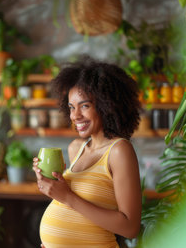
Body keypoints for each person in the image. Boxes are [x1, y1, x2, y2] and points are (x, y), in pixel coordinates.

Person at [33, 56, 143, 248]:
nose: (75, 116)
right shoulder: (77, 148)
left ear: (106, 105)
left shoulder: (119, 151)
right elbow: (77, 209)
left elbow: (130, 227)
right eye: (71, 107)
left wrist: (67, 197)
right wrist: (50, 185)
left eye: (84, 106)